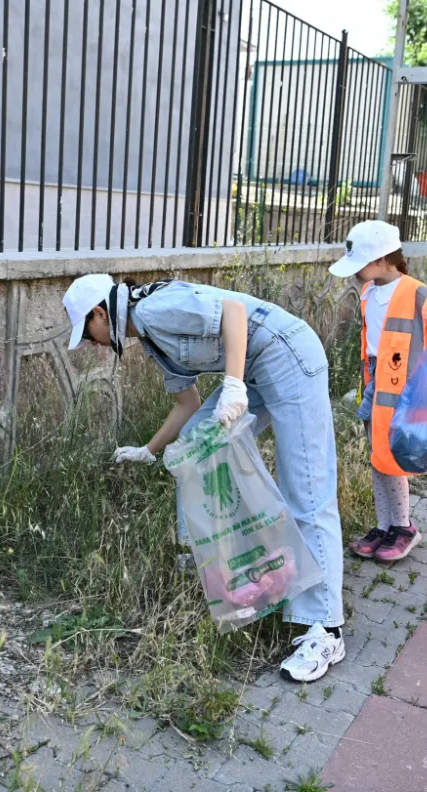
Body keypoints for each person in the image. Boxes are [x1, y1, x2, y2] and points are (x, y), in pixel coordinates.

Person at [62, 274, 345, 683]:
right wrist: (149, 450)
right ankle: (202, 557)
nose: (90, 343)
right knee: (196, 441)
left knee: (307, 488)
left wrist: (231, 386)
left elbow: (233, 312)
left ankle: (326, 628)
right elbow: (188, 405)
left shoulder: (154, 309)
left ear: (100, 313)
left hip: (287, 357)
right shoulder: (150, 337)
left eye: (87, 333)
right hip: (254, 367)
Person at [328, 220, 427, 563]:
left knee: (393, 459)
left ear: (380, 260)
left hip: (406, 391)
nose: (354, 274)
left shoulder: (418, 294)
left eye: (359, 265)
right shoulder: (368, 292)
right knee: (378, 456)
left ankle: (404, 527)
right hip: (376, 384)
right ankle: (385, 526)